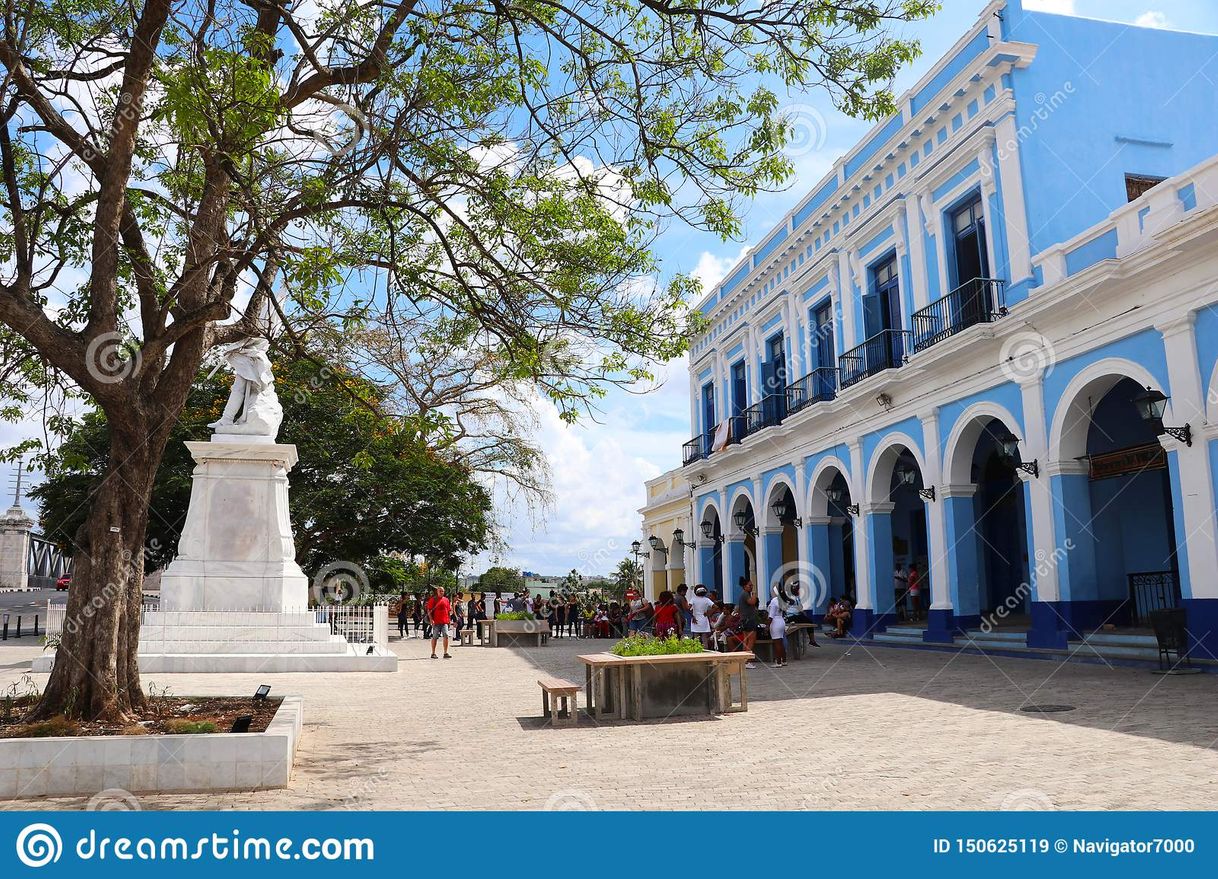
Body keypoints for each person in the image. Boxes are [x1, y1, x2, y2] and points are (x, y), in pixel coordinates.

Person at [737, 577, 760, 668]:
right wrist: (754, 595)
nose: (751, 587)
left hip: (745, 619)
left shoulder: (743, 594)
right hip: (749, 620)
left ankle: (745, 660)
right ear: (745, 586)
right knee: (751, 640)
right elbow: (752, 602)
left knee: (746, 640)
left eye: (752, 585)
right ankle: (747, 661)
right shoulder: (746, 594)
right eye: (750, 585)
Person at [426, 585, 453, 659]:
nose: (441, 592)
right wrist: (431, 619)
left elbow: (448, 610)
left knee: (446, 635)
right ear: (437, 592)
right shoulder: (433, 599)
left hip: (444, 621)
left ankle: (445, 652)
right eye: (440, 591)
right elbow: (429, 610)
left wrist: (449, 620)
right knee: (435, 637)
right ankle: (433, 653)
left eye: (442, 591)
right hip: (436, 622)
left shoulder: (446, 600)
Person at [766, 587, 788, 668]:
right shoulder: (781, 600)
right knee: (781, 642)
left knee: (777, 643)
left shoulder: (774, 601)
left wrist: (767, 626)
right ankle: (784, 660)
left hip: (775, 622)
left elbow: (771, 616)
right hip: (781, 621)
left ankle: (778, 662)